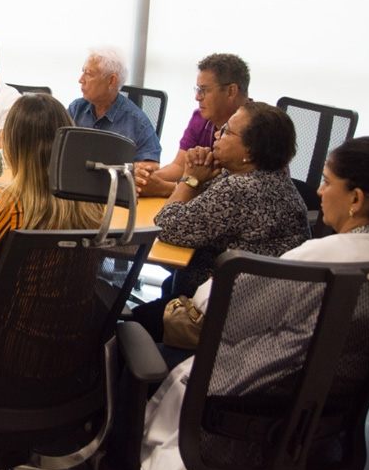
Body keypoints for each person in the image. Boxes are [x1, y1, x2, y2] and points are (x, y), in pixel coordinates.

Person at [135, 136, 369, 470]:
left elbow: (213, 302)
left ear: (356, 199)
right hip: (324, 429)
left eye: (326, 181)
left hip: (241, 420)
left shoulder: (322, 259)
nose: (319, 192)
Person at [131, 102, 310, 341]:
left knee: (128, 323)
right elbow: (198, 210)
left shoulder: (242, 188)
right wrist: (198, 178)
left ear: (250, 150)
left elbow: (168, 226)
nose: (217, 134)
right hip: (257, 310)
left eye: (226, 131)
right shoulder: (266, 178)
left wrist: (191, 179)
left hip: (222, 317)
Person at [0, 93, 103, 319]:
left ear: (13, 144)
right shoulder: (93, 202)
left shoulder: (6, 205)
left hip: (7, 339)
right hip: (77, 342)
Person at [135, 53, 250, 197]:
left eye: (205, 90)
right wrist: (146, 179)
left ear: (230, 91)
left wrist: (166, 188)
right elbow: (179, 166)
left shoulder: (257, 126)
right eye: (197, 90)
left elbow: (233, 194)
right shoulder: (200, 118)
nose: (197, 97)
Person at [68, 46, 162, 170]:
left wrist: (116, 170)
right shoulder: (76, 109)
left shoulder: (137, 122)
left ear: (112, 81)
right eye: (83, 72)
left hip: (113, 186)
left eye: (89, 74)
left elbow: (152, 166)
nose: (81, 80)